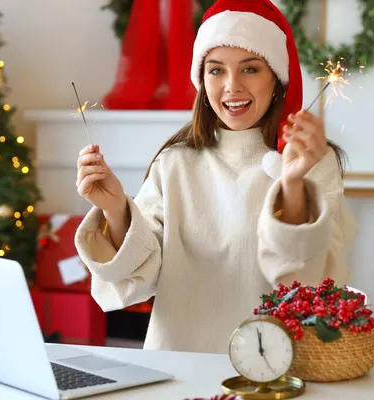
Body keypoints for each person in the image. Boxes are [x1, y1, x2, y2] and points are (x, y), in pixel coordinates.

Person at [74, 0, 358, 354]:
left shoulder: (314, 160)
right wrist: (116, 210)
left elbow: (312, 280)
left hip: (277, 369)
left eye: (251, 69)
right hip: (179, 361)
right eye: (216, 70)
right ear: (201, 78)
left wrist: (293, 185)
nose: (232, 86)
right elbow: (137, 277)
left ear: (277, 77)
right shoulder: (174, 163)